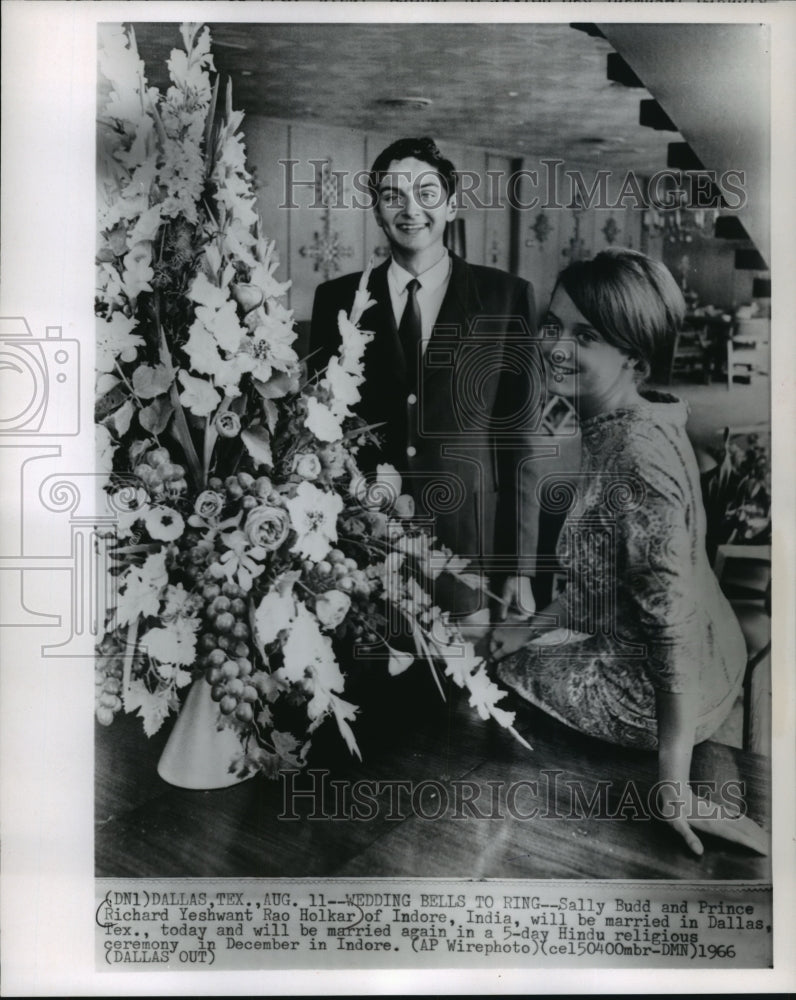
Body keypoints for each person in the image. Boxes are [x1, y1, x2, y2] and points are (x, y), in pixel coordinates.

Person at [490, 248, 763, 856]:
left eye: (585, 336)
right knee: (507, 645)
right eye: (554, 325)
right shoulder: (632, 420)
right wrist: (533, 626)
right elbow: (603, 584)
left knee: (492, 680)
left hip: (663, 690)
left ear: (635, 360)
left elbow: (672, 629)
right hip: (706, 656)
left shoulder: (637, 461)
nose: (556, 346)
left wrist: (672, 787)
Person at [310, 137, 542, 622]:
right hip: (363, 544)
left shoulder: (506, 298)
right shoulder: (335, 298)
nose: (410, 209)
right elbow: (317, 433)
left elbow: (520, 440)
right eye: (393, 195)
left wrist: (518, 566)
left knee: (465, 690)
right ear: (376, 210)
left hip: (465, 548)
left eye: (426, 193)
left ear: (452, 205)